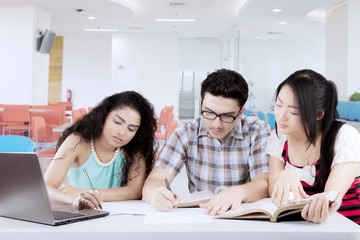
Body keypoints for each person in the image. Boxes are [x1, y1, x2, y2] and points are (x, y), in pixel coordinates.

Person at [142, 69, 271, 215]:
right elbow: (153, 181)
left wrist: (239, 192)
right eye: (209, 112)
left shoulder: (256, 130)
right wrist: (156, 194)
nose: (216, 124)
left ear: (241, 112)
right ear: (202, 104)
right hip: (200, 216)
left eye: (227, 116)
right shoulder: (186, 131)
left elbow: (264, 183)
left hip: (240, 215)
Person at [266, 69, 360, 224]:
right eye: (279, 104)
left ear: (318, 115)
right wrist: (285, 176)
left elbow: (331, 198)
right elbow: (274, 191)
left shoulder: (344, 136)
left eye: (294, 111)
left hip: (348, 226)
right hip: (302, 226)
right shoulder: (279, 136)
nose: (281, 116)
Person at [45, 91, 157, 209]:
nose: (122, 132)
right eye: (117, 122)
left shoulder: (134, 150)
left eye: (131, 129)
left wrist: (84, 193)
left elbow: (135, 192)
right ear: (104, 115)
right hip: (80, 216)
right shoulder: (77, 141)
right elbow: (45, 188)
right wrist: (74, 200)